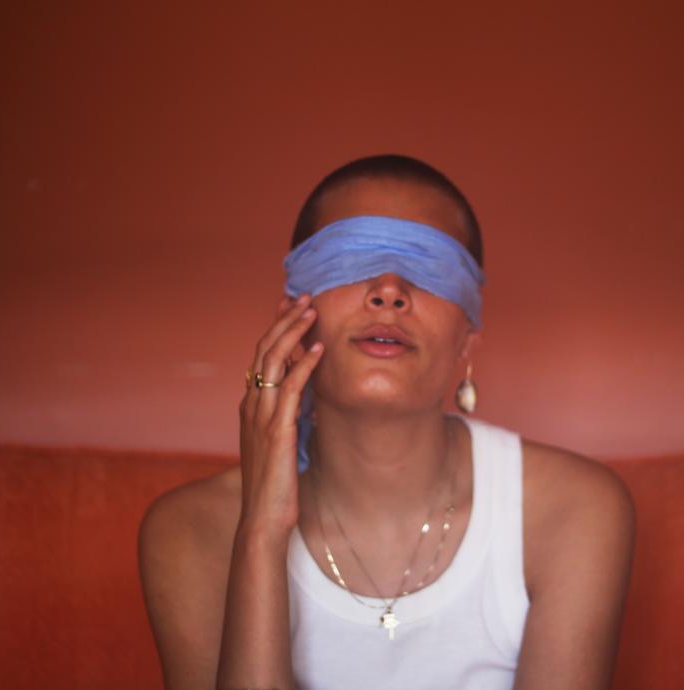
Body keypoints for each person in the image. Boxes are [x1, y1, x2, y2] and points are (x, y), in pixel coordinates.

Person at [138, 154, 635, 690]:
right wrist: (261, 530)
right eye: (352, 259)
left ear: (467, 340)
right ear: (291, 319)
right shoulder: (190, 532)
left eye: (427, 267)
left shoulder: (572, 511)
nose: (390, 289)